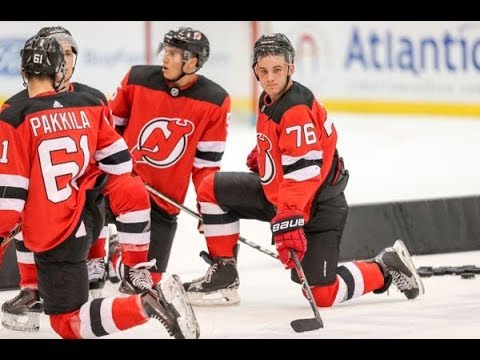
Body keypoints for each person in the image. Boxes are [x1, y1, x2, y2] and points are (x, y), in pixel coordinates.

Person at [183, 33, 425, 308]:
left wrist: (288, 219)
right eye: (263, 71)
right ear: (255, 71)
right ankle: (224, 274)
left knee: (322, 295)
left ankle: (384, 267)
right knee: (210, 189)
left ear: (291, 69)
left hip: (318, 207)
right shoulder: (270, 98)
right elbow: (292, 148)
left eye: (277, 70)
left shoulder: (295, 109)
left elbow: (304, 173)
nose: (270, 77)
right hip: (282, 197)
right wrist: (266, 156)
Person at [0, 35, 199, 339]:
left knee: (67, 323)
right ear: (59, 71)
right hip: (86, 219)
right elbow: (120, 164)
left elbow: (10, 197)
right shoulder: (89, 105)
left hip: (54, 234)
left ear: (23, 72)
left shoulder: (12, 115)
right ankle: (127, 271)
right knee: (129, 189)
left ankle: (145, 303)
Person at [109, 26, 231, 291]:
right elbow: (107, 133)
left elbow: (206, 166)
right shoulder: (137, 79)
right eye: (166, 50)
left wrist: (206, 205)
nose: (165, 57)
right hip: (120, 188)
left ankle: (116, 255)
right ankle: (96, 255)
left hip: (163, 200)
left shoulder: (215, 100)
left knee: (147, 280)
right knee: (86, 205)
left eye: (174, 53)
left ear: (193, 61)